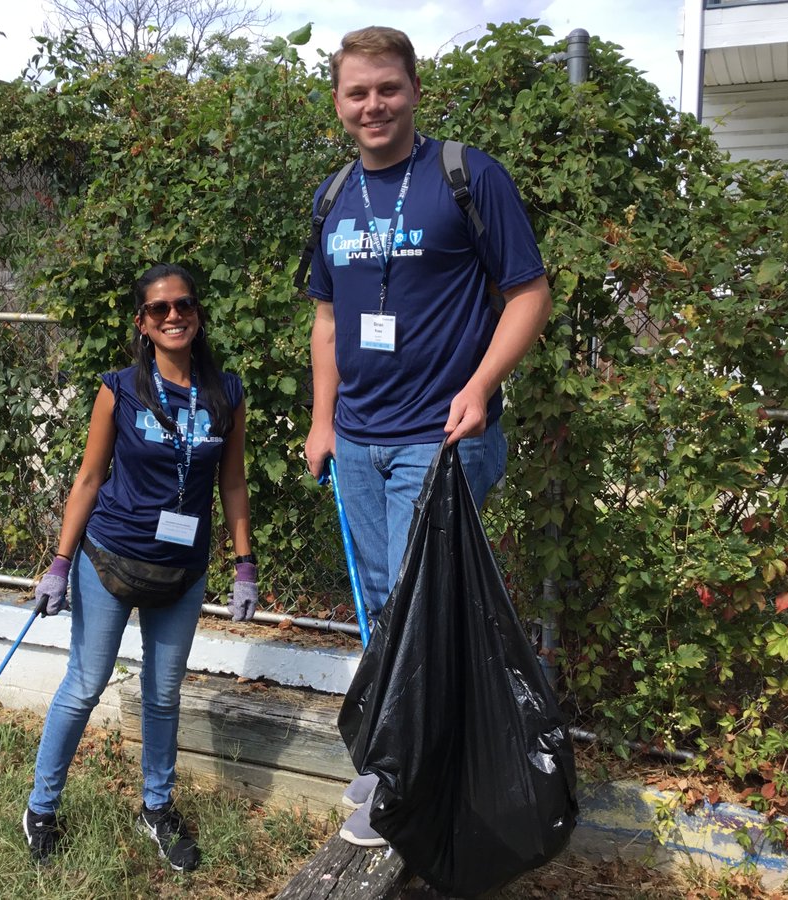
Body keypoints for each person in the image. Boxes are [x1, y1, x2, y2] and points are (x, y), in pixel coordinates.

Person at [302, 26, 553, 847]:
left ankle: (417, 779)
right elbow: (331, 320)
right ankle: (393, 756)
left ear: (414, 90)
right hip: (360, 440)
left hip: (441, 435)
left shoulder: (466, 176)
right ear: (338, 102)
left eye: (387, 88)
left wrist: (480, 388)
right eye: (357, 92)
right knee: (382, 604)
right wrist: (321, 420)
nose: (373, 105)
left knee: (425, 605)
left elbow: (528, 295)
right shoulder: (334, 195)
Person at [23, 263, 257, 872]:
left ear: (198, 315)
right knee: (85, 684)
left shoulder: (227, 393)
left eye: (183, 305)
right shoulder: (120, 389)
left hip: (183, 571)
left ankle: (157, 808)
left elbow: (232, 482)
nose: (173, 315)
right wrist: (58, 562)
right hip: (109, 560)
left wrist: (244, 564)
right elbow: (89, 477)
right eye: (159, 310)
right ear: (143, 324)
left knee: (162, 693)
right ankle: (41, 808)